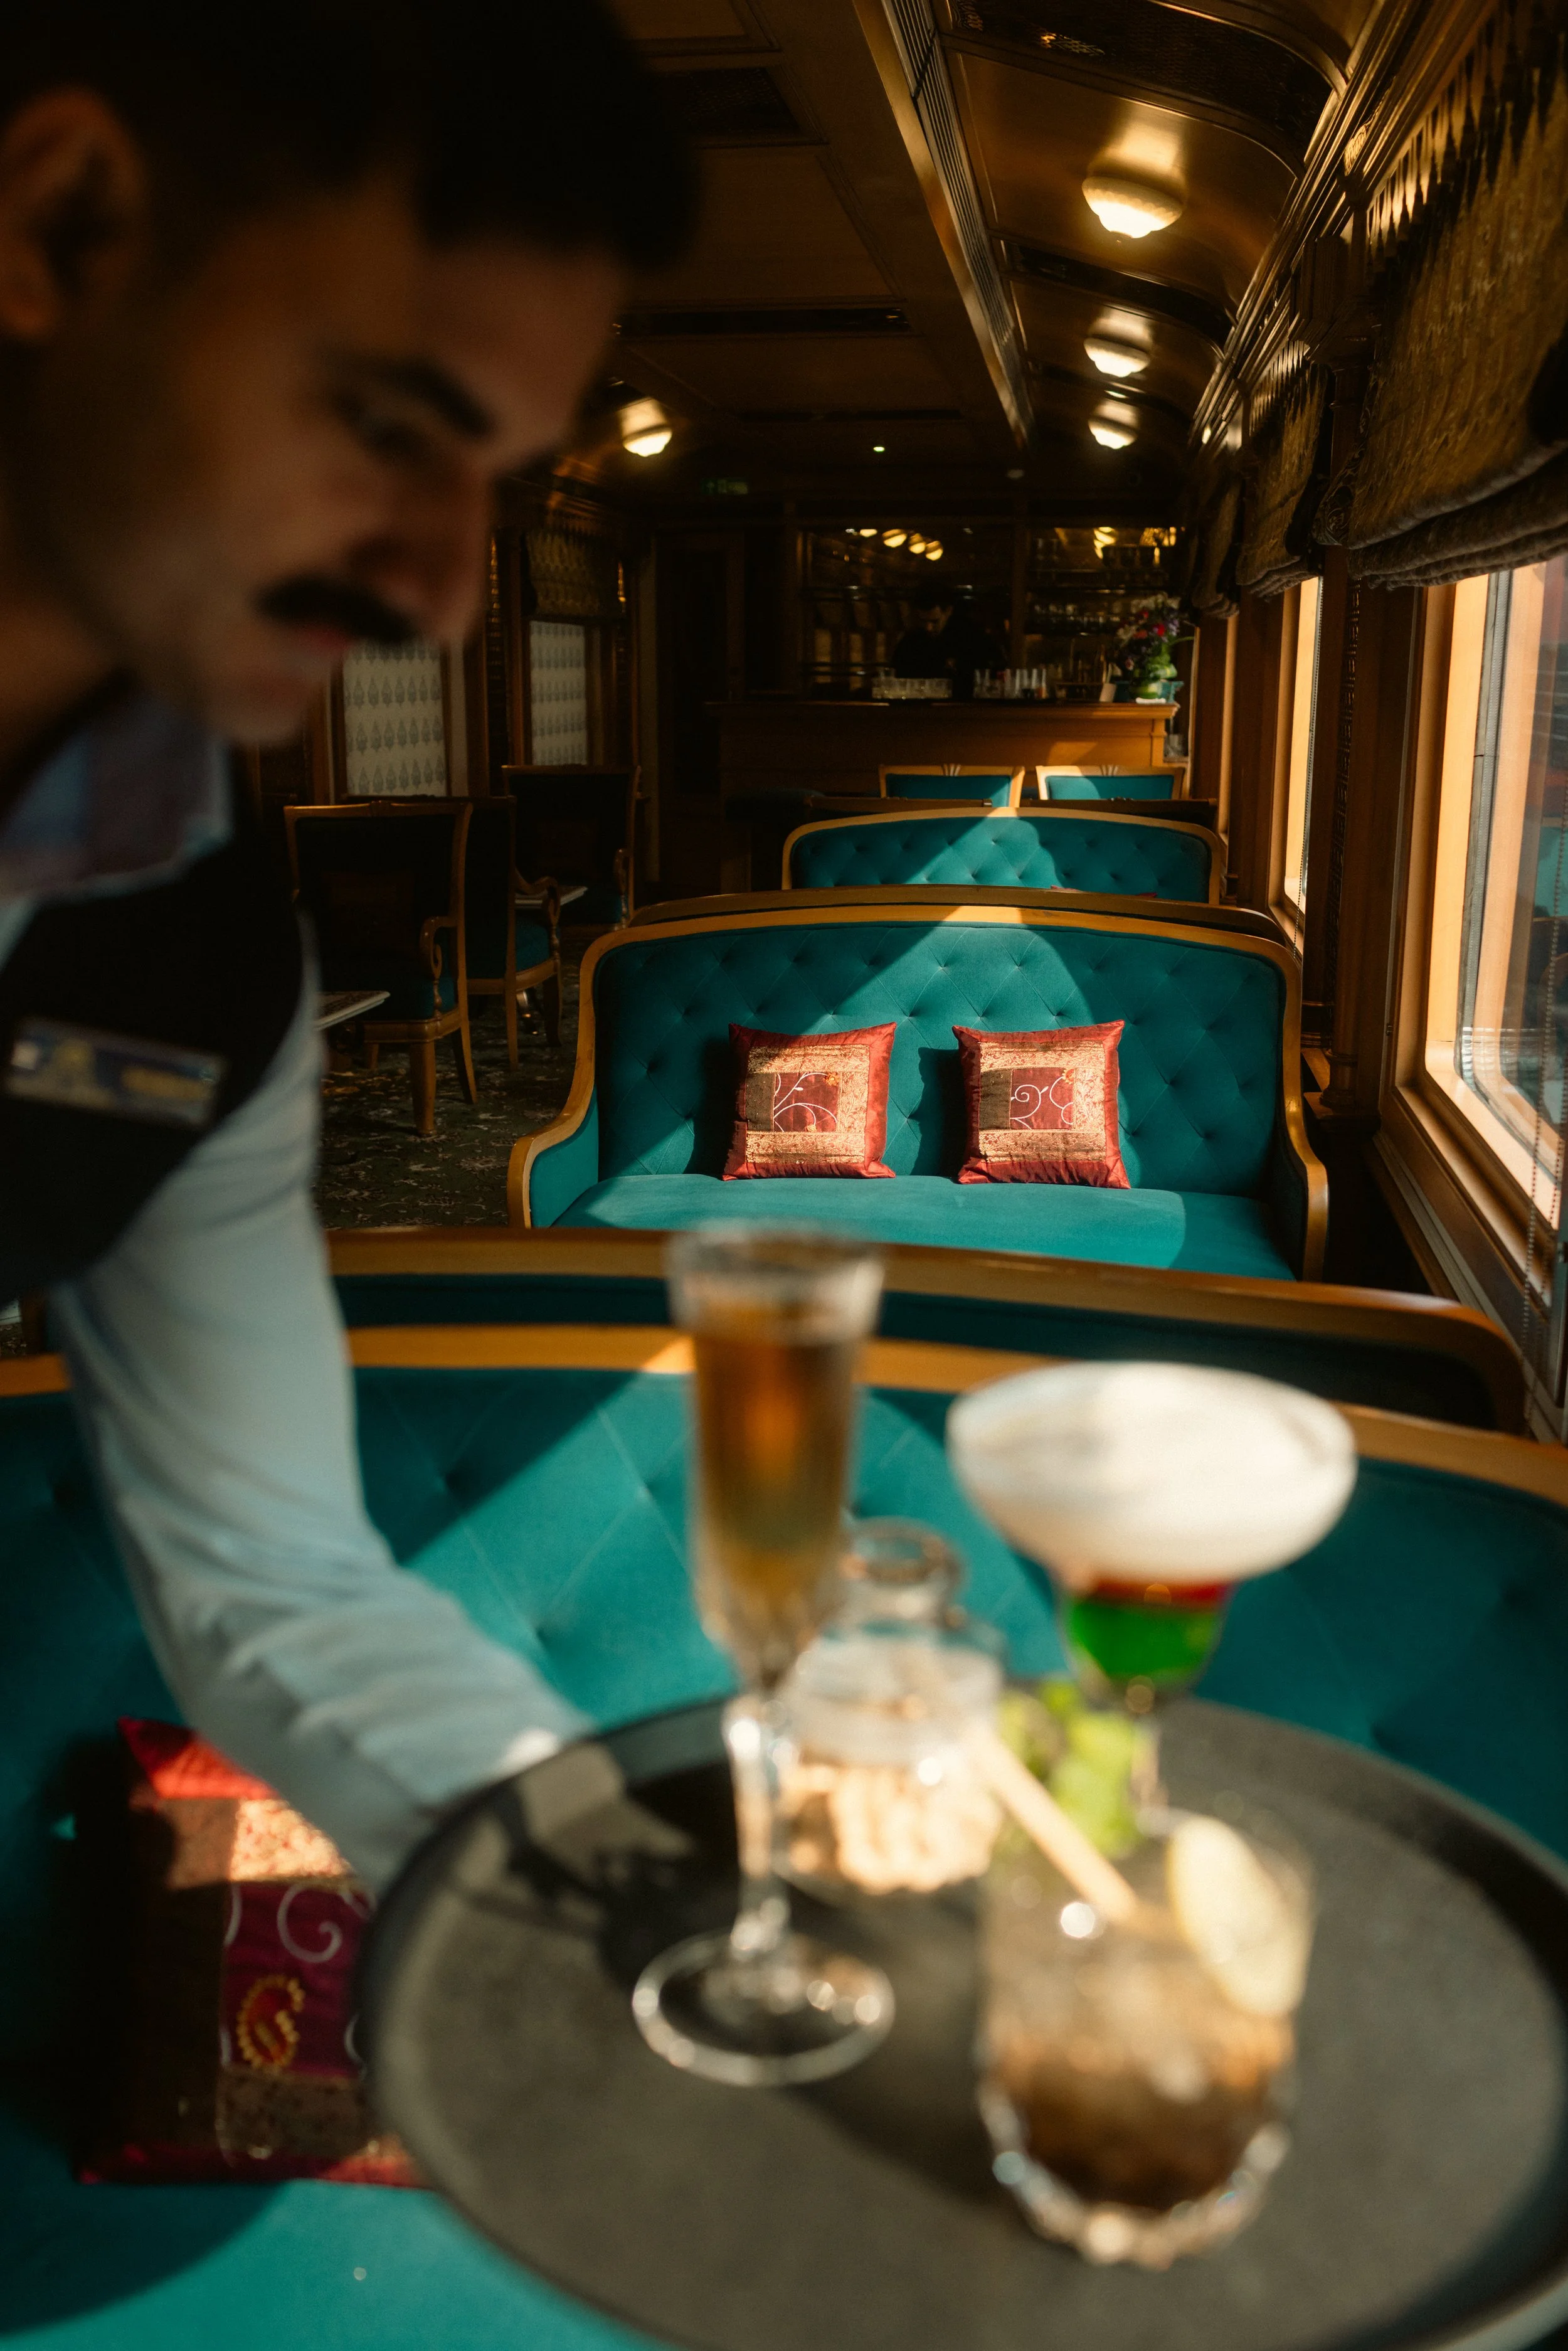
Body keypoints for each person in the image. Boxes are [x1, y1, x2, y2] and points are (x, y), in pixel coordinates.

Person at [0, 4, 693, 1888]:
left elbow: (273, 1577)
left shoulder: (202, 963)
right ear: (63, 228)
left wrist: (635, 1876)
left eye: (496, 484)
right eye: (386, 424)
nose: (443, 588)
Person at [890, 587, 953, 680]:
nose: (928, 628)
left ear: (948, 611)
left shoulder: (963, 640)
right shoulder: (909, 643)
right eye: (923, 621)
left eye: (935, 621)